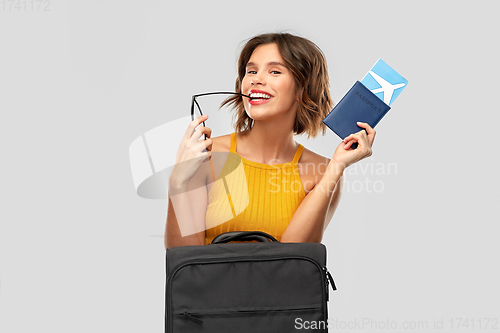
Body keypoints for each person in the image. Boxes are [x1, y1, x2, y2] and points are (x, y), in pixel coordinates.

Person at [165, 32, 375, 249]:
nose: (256, 79)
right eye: (251, 71)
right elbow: (184, 263)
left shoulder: (323, 171)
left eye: (275, 71)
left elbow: (294, 259)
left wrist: (337, 166)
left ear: (302, 89)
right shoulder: (207, 155)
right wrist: (177, 183)